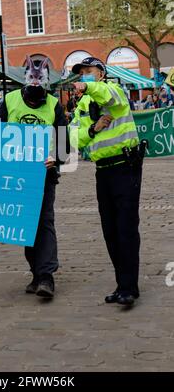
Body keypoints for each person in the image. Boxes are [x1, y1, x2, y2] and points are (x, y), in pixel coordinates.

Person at [69, 56, 143, 307]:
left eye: (89, 71)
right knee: (110, 230)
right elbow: (74, 139)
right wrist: (93, 128)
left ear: (101, 73)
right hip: (103, 171)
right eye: (81, 74)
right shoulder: (83, 104)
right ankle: (123, 283)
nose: (84, 76)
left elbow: (109, 98)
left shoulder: (114, 90)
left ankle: (128, 287)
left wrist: (88, 87)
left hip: (125, 167)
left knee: (126, 227)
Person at [0, 56, 70, 299]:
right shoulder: (10, 101)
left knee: (45, 221)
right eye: (32, 79)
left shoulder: (54, 105)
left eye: (41, 80)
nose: (36, 84)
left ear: (47, 82)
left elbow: (63, 143)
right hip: (17, 174)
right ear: (25, 78)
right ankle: (36, 274)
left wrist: (56, 159)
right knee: (27, 225)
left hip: (44, 173)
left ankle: (47, 276)